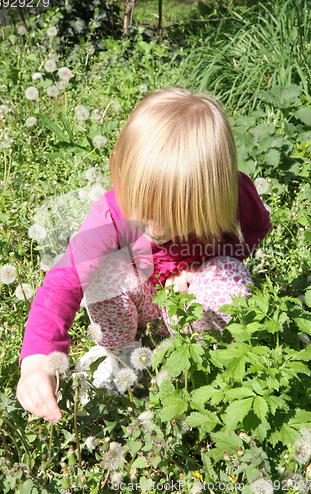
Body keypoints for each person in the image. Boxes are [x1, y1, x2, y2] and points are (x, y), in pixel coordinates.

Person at [16, 87, 271, 423]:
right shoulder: (113, 216)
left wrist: (205, 265)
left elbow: (254, 231)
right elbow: (63, 282)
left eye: (166, 218)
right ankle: (122, 359)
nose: (148, 225)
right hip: (143, 303)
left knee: (229, 276)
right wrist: (37, 360)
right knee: (105, 270)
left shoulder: (233, 198)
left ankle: (207, 362)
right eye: (138, 206)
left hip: (194, 306)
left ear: (212, 196)